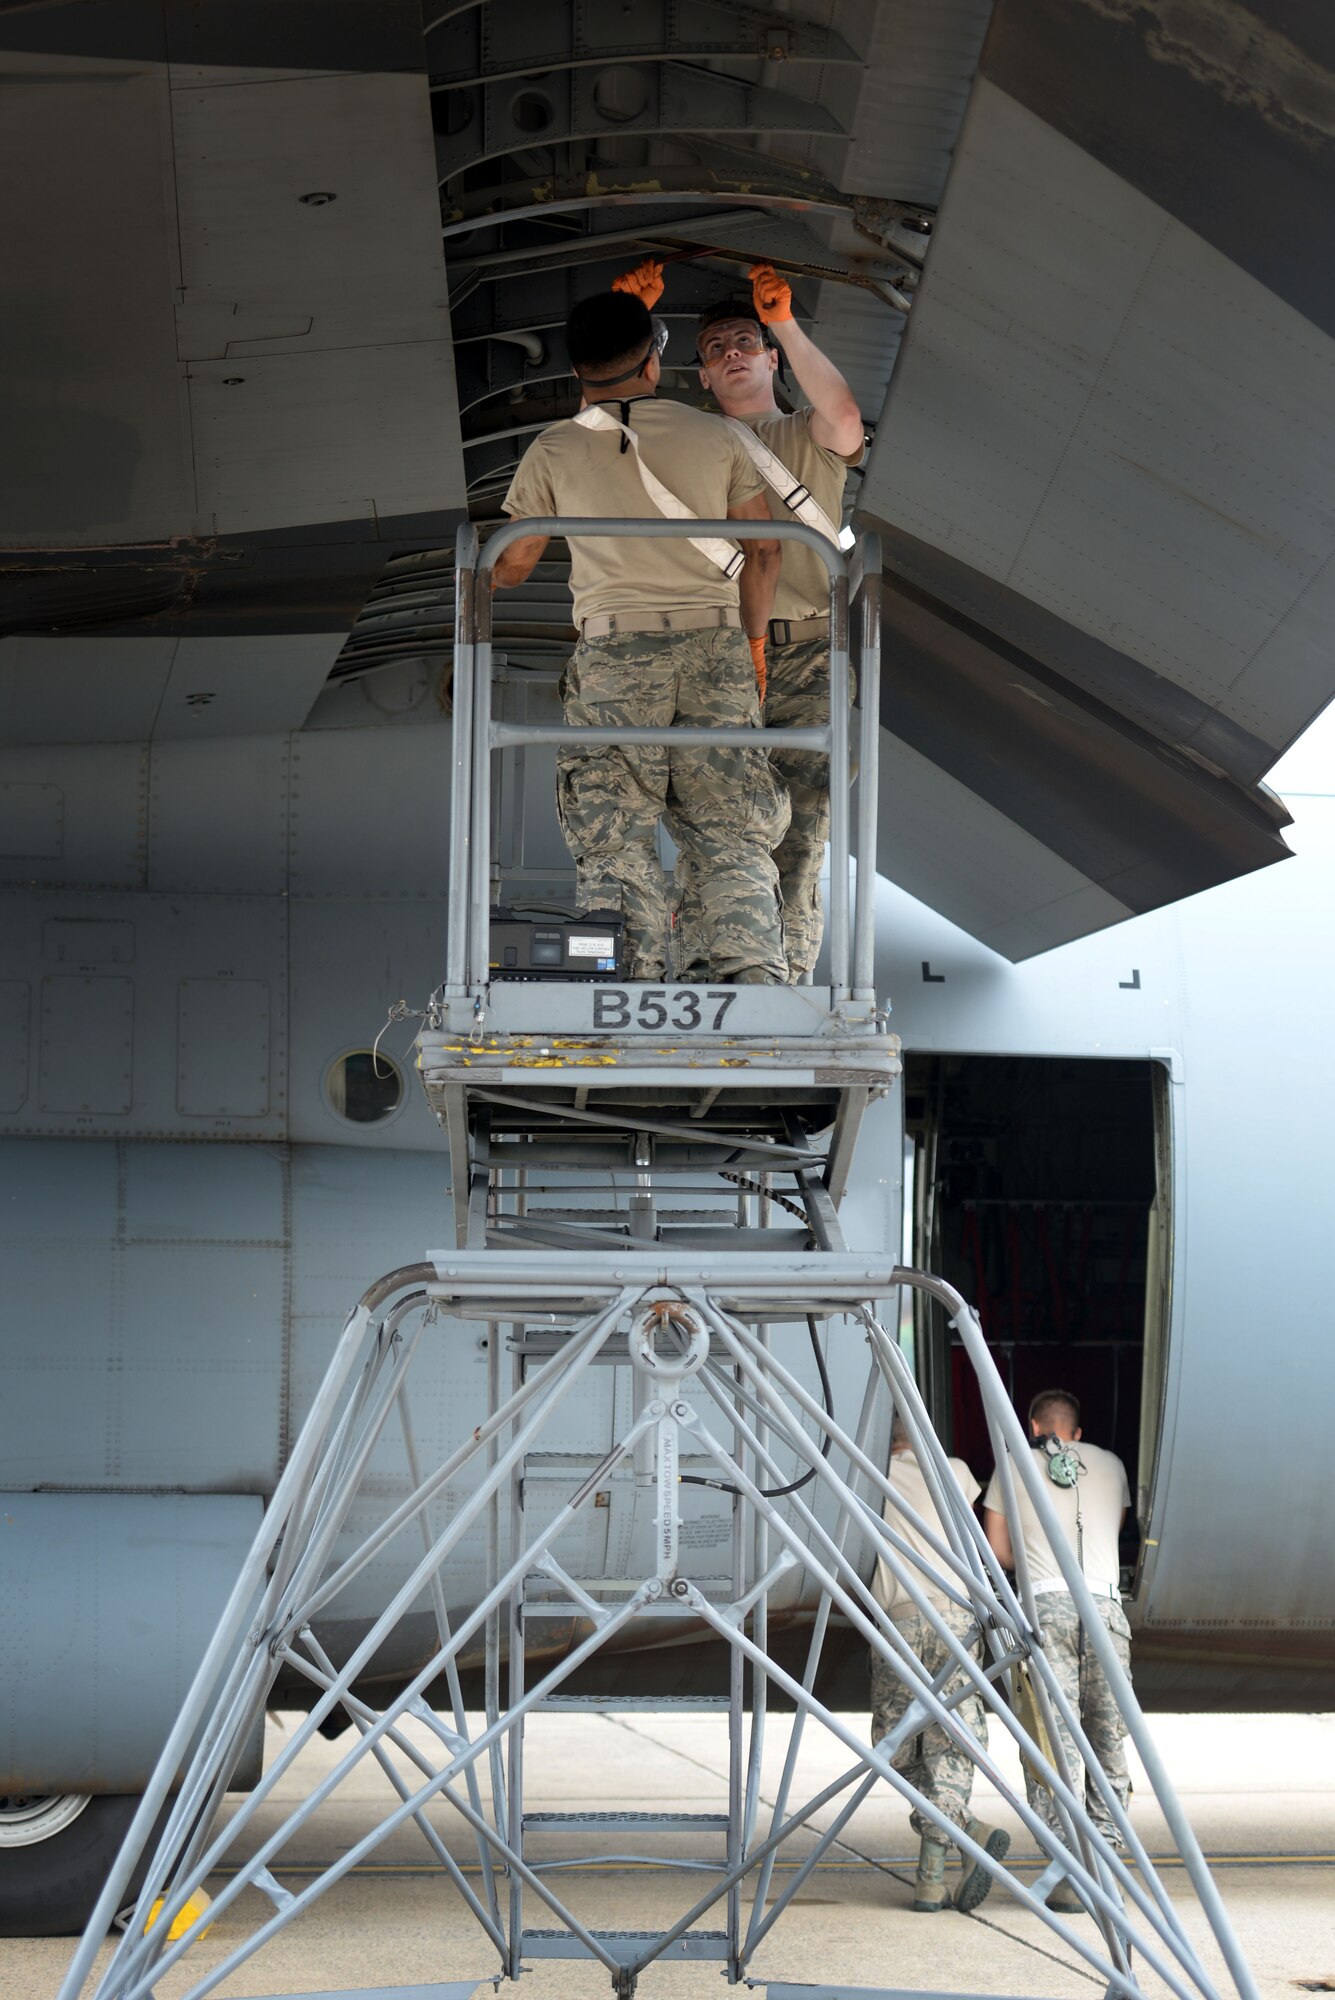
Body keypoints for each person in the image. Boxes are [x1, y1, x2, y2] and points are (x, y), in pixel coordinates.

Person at [493, 289, 790, 984]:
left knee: (614, 826)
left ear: (576, 373)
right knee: (730, 825)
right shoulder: (718, 436)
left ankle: (628, 976)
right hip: (714, 646)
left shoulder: (554, 448)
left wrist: (477, 586)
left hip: (615, 656)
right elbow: (766, 550)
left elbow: (513, 564)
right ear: (654, 360)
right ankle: (747, 972)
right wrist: (748, 648)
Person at [613, 258, 865, 981]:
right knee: (713, 828)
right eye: (716, 349)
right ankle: (709, 971)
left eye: (745, 343)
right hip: (719, 657)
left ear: (771, 359)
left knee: (801, 834)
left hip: (810, 655)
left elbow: (843, 416)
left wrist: (780, 315)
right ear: (698, 374)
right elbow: (613, 426)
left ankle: (779, 986)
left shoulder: (805, 436)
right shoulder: (691, 445)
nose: (731, 354)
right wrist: (632, 331)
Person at [982, 1389, 1134, 1912]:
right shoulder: (1111, 1465)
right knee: (1108, 1740)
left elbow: (999, 1551)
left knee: (1055, 1745)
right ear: (1076, 1433)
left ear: (1032, 1427)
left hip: (1046, 1610)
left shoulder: (1011, 1465)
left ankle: (1071, 1869)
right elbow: (1113, 1530)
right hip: (1107, 1611)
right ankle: (1109, 1866)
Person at [870, 1416, 1011, 1914]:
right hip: (956, 1616)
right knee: (953, 1741)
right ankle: (963, 1839)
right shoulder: (952, 1468)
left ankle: (936, 1873)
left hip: (899, 1620)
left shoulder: (865, 1470)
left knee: (895, 1747)